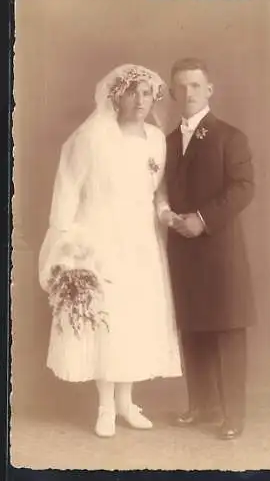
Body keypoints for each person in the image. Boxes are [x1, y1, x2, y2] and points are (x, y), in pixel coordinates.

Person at [38, 64, 182, 438]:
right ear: (116, 95)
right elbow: (68, 188)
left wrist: (164, 211)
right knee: (107, 317)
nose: (140, 100)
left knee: (134, 319)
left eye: (147, 93)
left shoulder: (155, 138)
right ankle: (104, 407)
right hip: (99, 236)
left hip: (140, 240)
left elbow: (158, 188)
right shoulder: (91, 137)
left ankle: (126, 402)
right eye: (133, 92)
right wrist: (66, 242)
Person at [160, 57, 256, 440]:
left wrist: (202, 218)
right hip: (182, 250)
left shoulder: (230, 137)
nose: (187, 94)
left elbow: (244, 188)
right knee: (193, 328)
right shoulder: (165, 142)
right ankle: (202, 406)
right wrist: (172, 218)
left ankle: (233, 414)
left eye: (195, 86)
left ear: (209, 90)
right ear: (170, 93)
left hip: (220, 252)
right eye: (180, 87)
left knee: (228, 330)